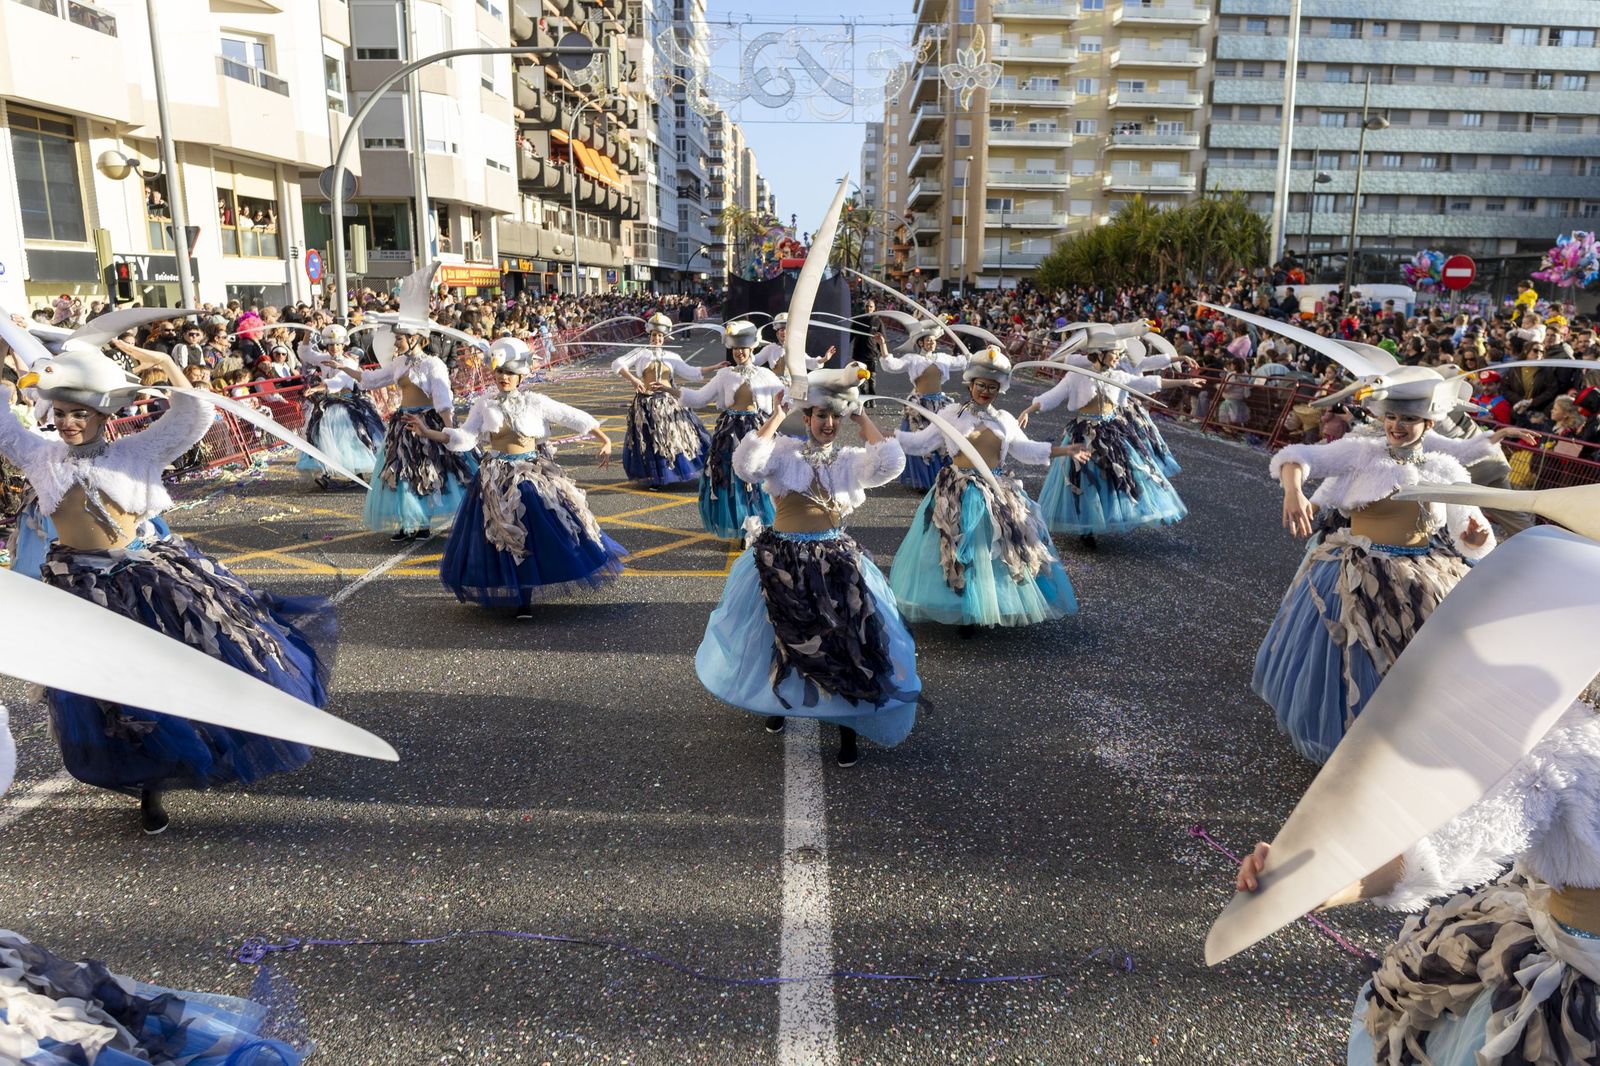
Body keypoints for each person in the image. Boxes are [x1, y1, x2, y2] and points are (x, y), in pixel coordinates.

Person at [0, 346, 326, 834]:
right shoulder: (42, 456)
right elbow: (5, 431)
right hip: (75, 587)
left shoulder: (137, 451)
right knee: (105, 698)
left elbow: (194, 414)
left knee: (177, 672)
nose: (68, 423)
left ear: (101, 414)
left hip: (140, 582)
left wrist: (164, 364)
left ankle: (207, 742)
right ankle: (147, 787)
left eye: (79, 414)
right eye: (62, 413)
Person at [1253, 376, 1530, 763]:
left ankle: (1395, 743)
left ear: (1428, 425)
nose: (1397, 426)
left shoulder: (1444, 469)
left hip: (1421, 576)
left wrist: (1475, 533)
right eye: (1392, 417)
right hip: (1353, 575)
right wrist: (1293, 489)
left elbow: (1469, 532)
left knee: (1414, 664)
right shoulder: (1361, 453)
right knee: (1351, 660)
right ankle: (1351, 744)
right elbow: (1298, 457)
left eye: (1409, 419)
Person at [695, 365, 918, 767]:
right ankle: (778, 703)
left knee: (845, 642)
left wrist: (861, 415)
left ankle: (847, 730)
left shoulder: (851, 461)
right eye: (820, 415)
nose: (828, 423)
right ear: (808, 417)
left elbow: (890, 463)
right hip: (780, 558)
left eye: (834, 416)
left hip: (833, 561)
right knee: (776, 635)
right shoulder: (783, 453)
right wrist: (779, 413)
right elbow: (746, 465)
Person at [411, 339, 624, 619]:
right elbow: (465, 436)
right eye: (500, 372)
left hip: (531, 474)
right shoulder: (484, 403)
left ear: (521, 376)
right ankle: (520, 595)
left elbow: (571, 416)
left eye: (510, 373)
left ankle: (527, 593)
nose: (504, 378)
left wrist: (605, 438)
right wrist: (429, 433)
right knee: (501, 535)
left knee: (540, 530)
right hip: (495, 475)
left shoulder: (535, 401)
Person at [889, 347, 1085, 633]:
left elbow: (1025, 450)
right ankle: (962, 607)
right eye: (981, 385)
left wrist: (1063, 450)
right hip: (955, 493)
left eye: (992, 387)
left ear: (999, 389)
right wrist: (889, 437)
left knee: (993, 552)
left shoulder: (1004, 419)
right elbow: (921, 443)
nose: (985, 391)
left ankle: (982, 606)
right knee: (956, 551)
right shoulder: (951, 414)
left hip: (995, 491)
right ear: (970, 384)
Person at [1022, 331, 1200, 549]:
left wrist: (1185, 381)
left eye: (1119, 354)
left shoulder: (1118, 376)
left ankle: (1101, 521)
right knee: (1085, 479)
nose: (1118, 358)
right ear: (1099, 354)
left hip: (1111, 432)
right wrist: (1030, 409)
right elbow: (1053, 395)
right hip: (1084, 434)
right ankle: (1087, 529)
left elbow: (1150, 383)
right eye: (1115, 354)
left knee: (1117, 476)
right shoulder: (1076, 376)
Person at [336, 326, 477, 542]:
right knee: (399, 472)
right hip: (403, 423)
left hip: (427, 422)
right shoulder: (399, 362)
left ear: (415, 339)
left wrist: (450, 432)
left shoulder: (433, 364)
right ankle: (405, 521)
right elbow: (372, 379)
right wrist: (343, 368)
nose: (395, 344)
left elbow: (442, 399)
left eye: (399, 339)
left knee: (428, 471)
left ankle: (422, 522)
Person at [678, 319, 784, 538]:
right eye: (735, 348)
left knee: (758, 478)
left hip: (757, 430)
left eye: (743, 348)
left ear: (752, 347)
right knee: (730, 480)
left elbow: (786, 398)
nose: (739, 352)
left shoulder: (765, 375)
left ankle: (760, 526)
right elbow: (698, 398)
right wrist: (672, 390)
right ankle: (743, 526)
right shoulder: (725, 375)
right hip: (729, 433)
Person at [611, 311, 710, 488]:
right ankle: (654, 477)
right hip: (646, 403)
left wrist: (716, 366)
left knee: (674, 438)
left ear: (664, 338)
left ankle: (672, 472)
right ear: (650, 336)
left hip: (668, 403)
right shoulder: (640, 353)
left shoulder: (672, 356)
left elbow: (692, 373)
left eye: (660, 336)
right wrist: (634, 380)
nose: (656, 339)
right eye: (654, 335)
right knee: (650, 440)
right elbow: (617, 364)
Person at [874, 322, 967, 490]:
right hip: (920, 406)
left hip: (940, 405)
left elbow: (963, 362)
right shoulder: (913, 359)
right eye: (928, 340)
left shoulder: (943, 358)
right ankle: (924, 481)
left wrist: (981, 353)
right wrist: (883, 345)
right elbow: (891, 366)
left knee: (942, 441)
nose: (931, 343)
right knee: (919, 439)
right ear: (920, 343)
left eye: (933, 340)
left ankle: (942, 478)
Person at [297, 324, 385, 490]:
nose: (334, 348)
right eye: (331, 344)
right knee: (322, 438)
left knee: (349, 439)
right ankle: (325, 474)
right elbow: (306, 353)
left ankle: (357, 475)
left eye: (337, 344)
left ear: (343, 344)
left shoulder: (348, 362)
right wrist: (307, 334)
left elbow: (339, 381)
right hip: (328, 404)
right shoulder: (323, 358)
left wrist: (317, 388)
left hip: (346, 405)